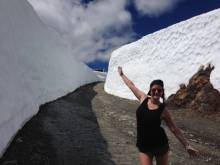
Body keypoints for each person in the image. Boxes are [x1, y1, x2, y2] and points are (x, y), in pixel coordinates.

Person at [117, 66, 199, 165]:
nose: (156, 92)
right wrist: (122, 75)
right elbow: (131, 85)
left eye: (159, 90)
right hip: (143, 145)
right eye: (154, 89)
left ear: (162, 92)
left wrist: (187, 145)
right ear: (150, 90)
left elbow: (174, 128)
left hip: (160, 146)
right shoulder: (143, 98)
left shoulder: (163, 110)